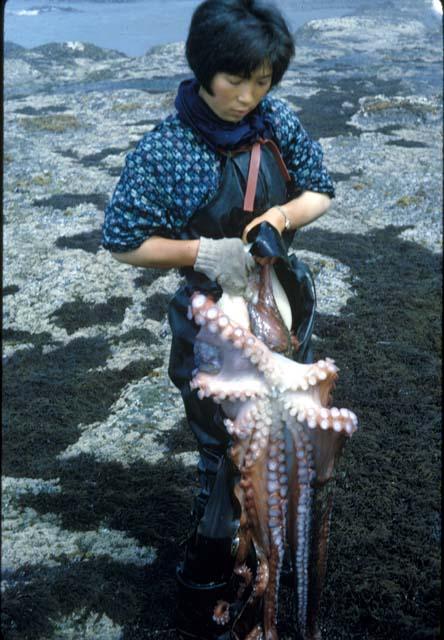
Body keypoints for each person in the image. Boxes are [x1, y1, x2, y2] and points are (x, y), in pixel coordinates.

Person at [102, 1, 335, 637]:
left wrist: (280, 220)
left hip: (282, 306)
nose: (247, 96)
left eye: (262, 81)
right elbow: (122, 238)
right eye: (236, 80)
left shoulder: (276, 121)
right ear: (203, 68)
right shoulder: (166, 151)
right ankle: (209, 581)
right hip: (209, 319)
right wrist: (202, 251)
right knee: (227, 452)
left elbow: (320, 188)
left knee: (285, 439)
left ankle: (267, 558)